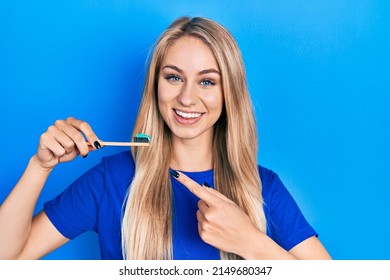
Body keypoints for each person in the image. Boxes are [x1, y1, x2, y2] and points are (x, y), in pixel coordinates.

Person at [0, 16, 331, 260]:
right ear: (155, 85)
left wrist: (250, 242)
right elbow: (6, 261)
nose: (187, 98)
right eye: (174, 77)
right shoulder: (111, 180)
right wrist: (39, 167)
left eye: (207, 82)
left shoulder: (263, 186)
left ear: (229, 93)